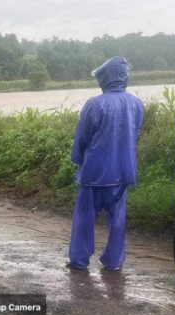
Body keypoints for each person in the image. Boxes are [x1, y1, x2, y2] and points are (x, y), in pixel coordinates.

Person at [68, 56, 144, 271]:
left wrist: (79, 159)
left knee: (84, 218)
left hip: (95, 171)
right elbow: (134, 133)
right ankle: (114, 261)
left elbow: (82, 138)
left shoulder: (95, 104)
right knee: (117, 219)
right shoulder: (136, 103)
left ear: (106, 78)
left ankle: (79, 260)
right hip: (123, 170)